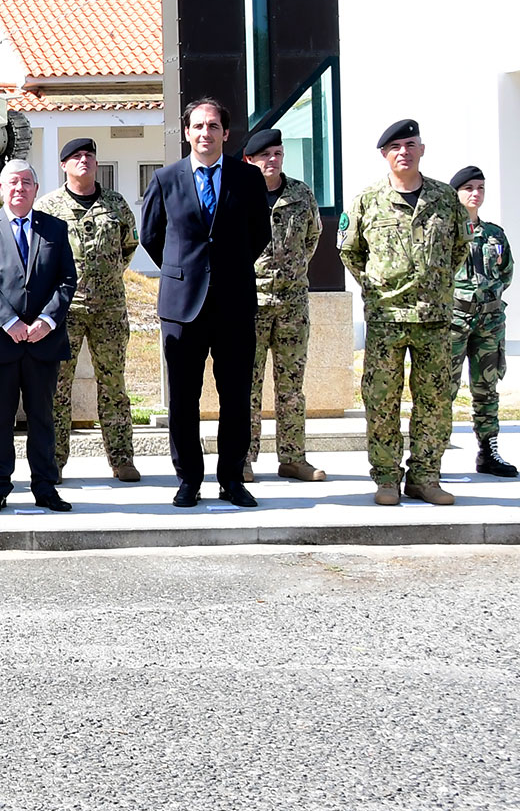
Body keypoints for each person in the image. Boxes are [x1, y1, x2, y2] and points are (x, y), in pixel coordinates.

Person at [139, 98, 272, 509]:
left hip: (233, 302)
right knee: (183, 397)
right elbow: (151, 235)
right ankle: (188, 479)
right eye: (198, 126)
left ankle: (232, 478)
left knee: (236, 396)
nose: (205, 133)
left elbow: (259, 235)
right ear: (186, 132)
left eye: (213, 126)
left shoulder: (247, 179)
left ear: (225, 134)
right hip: (183, 307)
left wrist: (226, 269)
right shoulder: (165, 179)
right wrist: (185, 271)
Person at [339, 121, 469, 506]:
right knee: (382, 401)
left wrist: (437, 285)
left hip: (434, 319)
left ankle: (425, 477)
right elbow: (350, 251)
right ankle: (386, 479)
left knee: (434, 401)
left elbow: (460, 247)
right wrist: (378, 288)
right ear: (384, 155)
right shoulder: (368, 200)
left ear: (422, 150)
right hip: (386, 318)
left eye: (410, 145)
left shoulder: (446, 199)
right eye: (395, 146)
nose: (403, 152)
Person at [0, 159, 78, 513]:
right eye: (12, 183)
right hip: (0, 341)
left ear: (36, 188)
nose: (19, 189)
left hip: (43, 339)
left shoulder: (55, 229)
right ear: (0, 188)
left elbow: (66, 280)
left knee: (43, 416)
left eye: (26, 182)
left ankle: (45, 486)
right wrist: (8, 321)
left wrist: (47, 319)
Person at [35, 137, 142, 484]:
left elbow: (129, 245)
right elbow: (38, 255)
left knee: (113, 383)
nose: (84, 161)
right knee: (58, 387)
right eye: (76, 157)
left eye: (89, 156)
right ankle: (54, 461)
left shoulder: (115, 203)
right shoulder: (49, 207)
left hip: (109, 308)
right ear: (63, 165)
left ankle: (122, 459)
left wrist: (105, 278)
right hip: (63, 310)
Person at [240, 130, 326, 483]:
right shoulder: (239, 194)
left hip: (292, 304)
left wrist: (290, 273)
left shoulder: (301, 194)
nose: (272, 160)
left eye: (277, 153)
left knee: (291, 385)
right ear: (250, 160)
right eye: (265, 156)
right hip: (251, 303)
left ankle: (293, 457)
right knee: (247, 385)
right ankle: (242, 458)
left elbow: (312, 238)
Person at [449, 165, 518, 478]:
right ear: (457, 194)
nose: (475, 194)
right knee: (441, 390)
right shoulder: (447, 231)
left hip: (489, 323)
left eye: (480, 188)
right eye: (469, 189)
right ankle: (430, 456)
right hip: (454, 321)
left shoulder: (494, 234)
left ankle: (488, 451)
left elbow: (506, 273)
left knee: (486, 389)